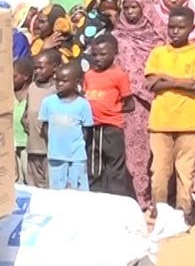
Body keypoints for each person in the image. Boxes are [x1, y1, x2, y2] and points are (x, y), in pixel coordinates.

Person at [145, 6, 195, 223]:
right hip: (161, 122)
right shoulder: (158, 53)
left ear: (191, 28)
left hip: (189, 121)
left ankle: (183, 212)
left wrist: (168, 80)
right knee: (159, 171)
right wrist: (185, 82)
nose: (175, 32)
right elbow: (151, 83)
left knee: (185, 171)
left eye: (180, 28)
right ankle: (160, 211)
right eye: (171, 27)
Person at [112, 0, 167, 207]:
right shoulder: (117, 36)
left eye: (135, 7)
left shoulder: (159, 37)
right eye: (126, 8)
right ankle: (138, 197)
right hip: (128, 104)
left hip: (159, 101)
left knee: (159, 153)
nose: (131, 12)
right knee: (133, 151)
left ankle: (160, 196)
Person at [83, 34, 133, 198]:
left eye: (103, 54)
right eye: (95, 54)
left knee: (115, 167)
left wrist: (112, 110)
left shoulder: (119, 75)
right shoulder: (89, 75)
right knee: (94, 166)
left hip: (112, 128)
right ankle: (97, 198)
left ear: (115, 53)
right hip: (93, 128)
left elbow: (129, 104)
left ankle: (117, 200)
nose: (98, 58)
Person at [40, 63, 94, 191]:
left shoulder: (83, 105)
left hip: (77, 157)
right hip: (56, 156)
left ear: (76, 82)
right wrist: (53, 147)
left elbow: (87, 132)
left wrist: (77, 148)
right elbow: (45, 128)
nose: (60, 84)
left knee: (78, 192)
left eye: (64, 81)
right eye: (57, 80)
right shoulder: (48, 102)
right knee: (57, 193)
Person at [23, 50, 61, 189]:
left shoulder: (56, 90)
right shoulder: (32, 87)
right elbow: (28, 110)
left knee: (50, 186)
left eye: (41, 67)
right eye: (35, 68)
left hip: (49, 150)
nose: (37, 71)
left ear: (55, 68)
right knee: (33, 185)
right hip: (33, 147)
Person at [11, 57, 34, 183]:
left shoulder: (32, 96)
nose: (10, 80)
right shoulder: (9, 96)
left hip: (27, 145)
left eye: (14, 76)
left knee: (28, 177)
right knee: (16, 180)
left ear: (25, 77)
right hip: (13, 145)